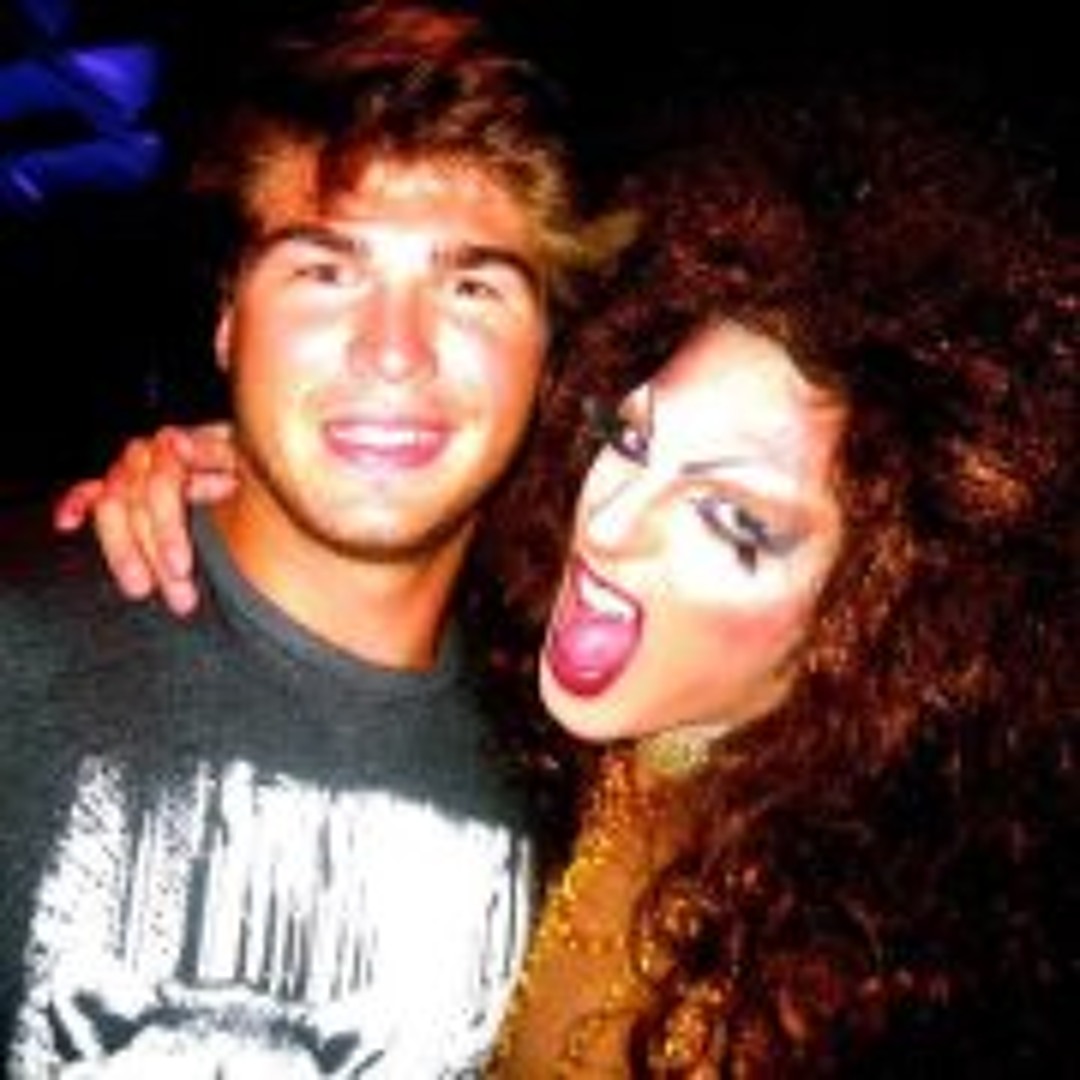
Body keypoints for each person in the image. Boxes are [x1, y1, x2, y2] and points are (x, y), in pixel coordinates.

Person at [56, 82, 1078, 1074]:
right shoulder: (532, 710)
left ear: (882, 611)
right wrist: (265, 466)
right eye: (632, 440)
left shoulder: (878, 972)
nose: (610, 522)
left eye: (733, 518)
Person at [0, 0, 624, 1074]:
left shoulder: (575, 785)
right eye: (326, 272)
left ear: (547, 362)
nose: (394, 352)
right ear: (229, 321)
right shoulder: (17, 654)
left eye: (471, 285)